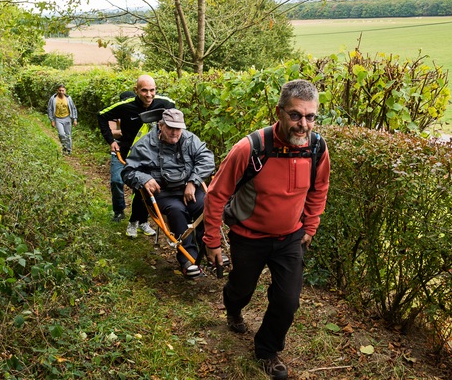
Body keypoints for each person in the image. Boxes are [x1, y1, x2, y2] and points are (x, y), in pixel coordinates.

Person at [202, 79, 331, 380]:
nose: (303, 124)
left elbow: (320, 188)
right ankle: (233, 308)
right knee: (241, 289)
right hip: (249, 237)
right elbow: (217, 194)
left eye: (310, 116)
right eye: (296, 115)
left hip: (290, 238)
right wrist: (212, 241)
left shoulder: (316, 148)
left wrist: (310, 226)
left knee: (288, 301)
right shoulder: (251, 148)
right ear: (279, 112)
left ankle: (267, 350)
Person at [121, 108, 215, 278]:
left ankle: (210, 252)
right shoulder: (144, 144)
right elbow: (128, 171)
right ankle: (188, 259)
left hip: (188, 187)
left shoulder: (190, 139)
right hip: (162, 193)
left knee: (205, 206)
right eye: (170, 128)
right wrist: (144, 179)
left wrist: (193, 181)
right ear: (161, 125)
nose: (174, 132)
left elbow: (207, 158)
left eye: (178, 128)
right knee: (177, 211)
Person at [97, 75, 175, 237]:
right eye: (144, 90)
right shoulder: (126, 106)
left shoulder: (165, 103)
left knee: (142, 189)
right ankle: (120, 212)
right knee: (117, 181)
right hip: (126, 154)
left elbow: (174, 117)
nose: (149, 95)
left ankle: (139, 222)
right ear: (136, 91)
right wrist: (111, 140)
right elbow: (102, 115)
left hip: (149, 156)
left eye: (152, 90)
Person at [107, 91, 137, 222]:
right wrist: (125, 130)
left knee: (139, 185)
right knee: (116, 180)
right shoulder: (116, 114)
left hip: (136, 153)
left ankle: (139, 215)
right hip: (119, 151)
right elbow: (112, 132)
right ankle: (119, 211)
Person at [47, 84, 78, 155]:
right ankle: (64, 148)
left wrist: (75, 119)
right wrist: (52, 120)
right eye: (60, 90)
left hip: (67, 118)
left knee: (68, 135)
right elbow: (50, 109)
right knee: (61, 134)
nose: (61, 92)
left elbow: (73, 108)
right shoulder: (53, 99)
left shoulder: (68, 98)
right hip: (58, 119)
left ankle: (69, 150)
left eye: (63, 90)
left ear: (65, 91)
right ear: (57, 90)